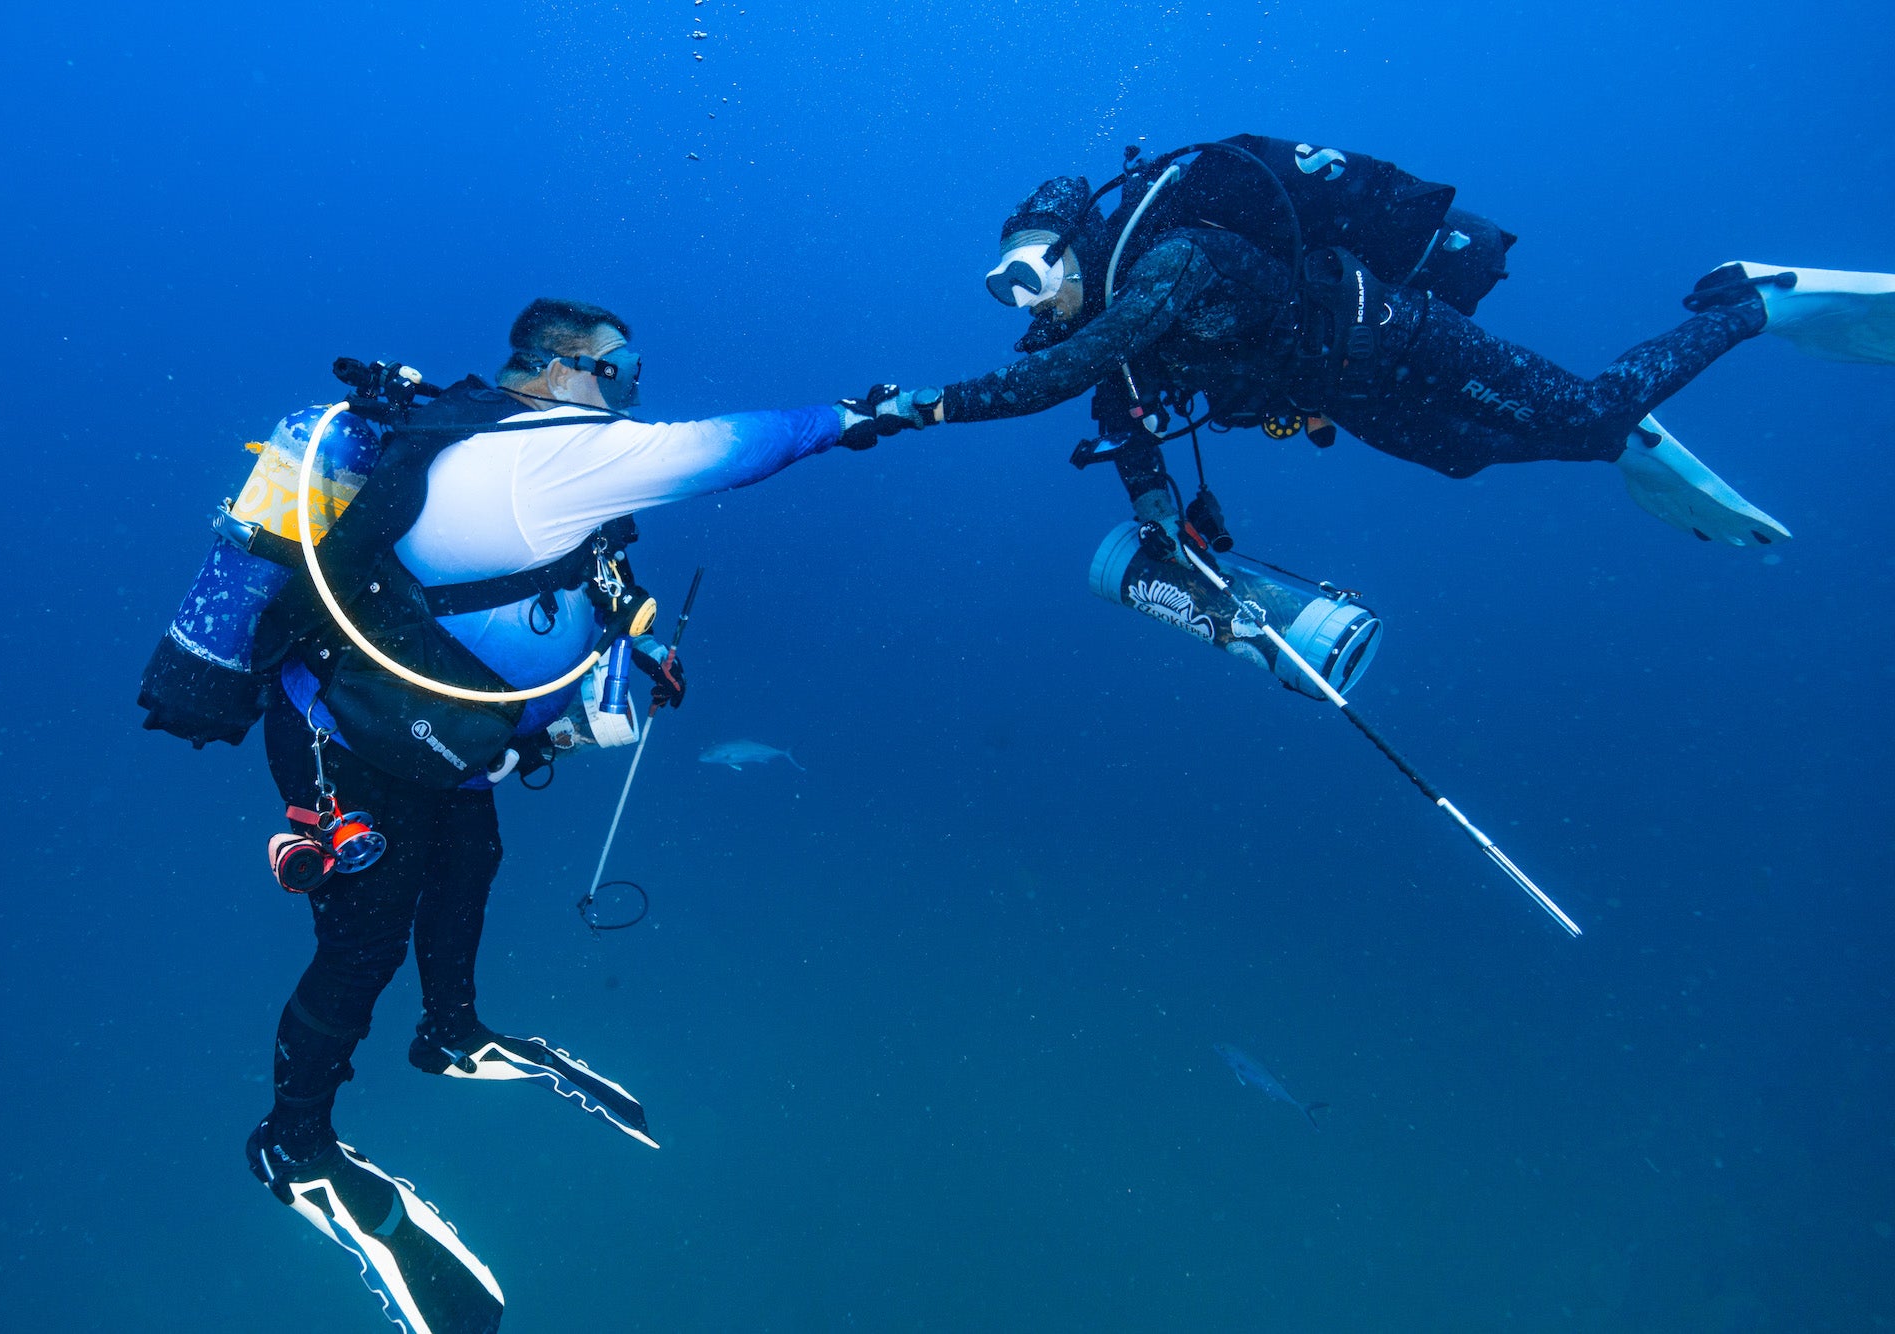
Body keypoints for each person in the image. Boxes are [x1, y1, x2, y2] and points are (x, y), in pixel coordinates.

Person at [137, 299, 911, 1334]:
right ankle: (294, 1144)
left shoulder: (546, 461)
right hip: (350, 740)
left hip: (442, 741)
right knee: (364, 938)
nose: (633, 386)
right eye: (619, 365)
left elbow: (550, 600)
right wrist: (861, 412)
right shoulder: (542, 456)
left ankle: (451, 1032)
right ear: (557, 367)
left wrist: (624, 669)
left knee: (471, 862)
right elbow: (737, 447)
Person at [879, 134, 1893, 551]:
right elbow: (1127, 433)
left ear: (1076, 250)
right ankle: (1611, 438)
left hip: (1392, 333)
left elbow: (1053, 382)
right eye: (998, 285)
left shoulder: (1172, 259)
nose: (1019, 301)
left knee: (1584, 412)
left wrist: (911, 406)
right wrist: (1161, 529)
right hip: (1349, 391)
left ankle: (1755, 301)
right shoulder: (1121, 346)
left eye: (1027, 274)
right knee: (1461, 454)